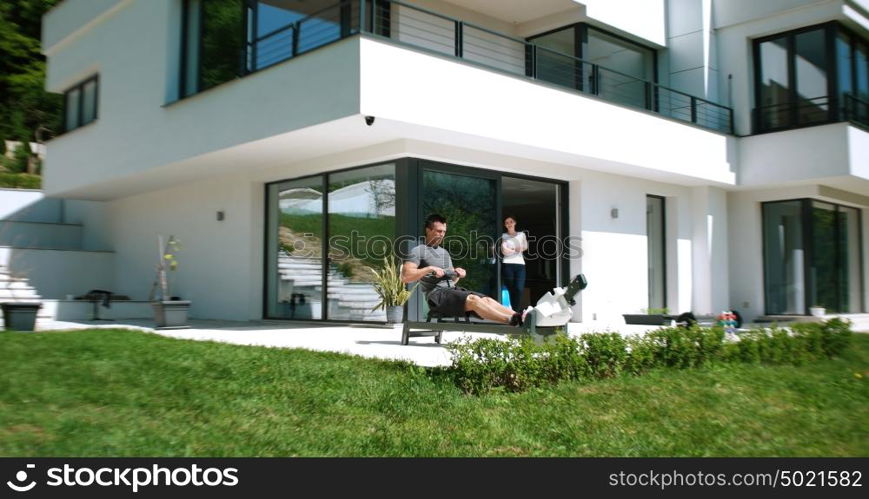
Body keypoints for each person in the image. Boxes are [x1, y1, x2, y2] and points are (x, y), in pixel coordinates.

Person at [402, 214, 526, 326]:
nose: (442, 234)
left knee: (486, 299)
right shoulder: (418, 250)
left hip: (451, 291)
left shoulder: (444, 252)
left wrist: (457, 274)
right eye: (439, 231)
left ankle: (520, 316)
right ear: (428, 230)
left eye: (444, 231)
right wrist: (429, 268)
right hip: (436, 296)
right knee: (474, 300)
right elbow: (406, 277)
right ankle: (510, 320)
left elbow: (452, 281)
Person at [500, 215, 527, 313]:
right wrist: (515, 249)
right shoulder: (504, 236)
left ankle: (515, 310)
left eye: (511, 222)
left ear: (515, 223)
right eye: (507, 223)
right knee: (511, 288)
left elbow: (524, 247)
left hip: (520, 265)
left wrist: (511, 249)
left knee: (519, 288)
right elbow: (504, 251)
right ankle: (515, 311)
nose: (509, 224)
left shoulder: (521, 234)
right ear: (505, 225)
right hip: (508, 264)